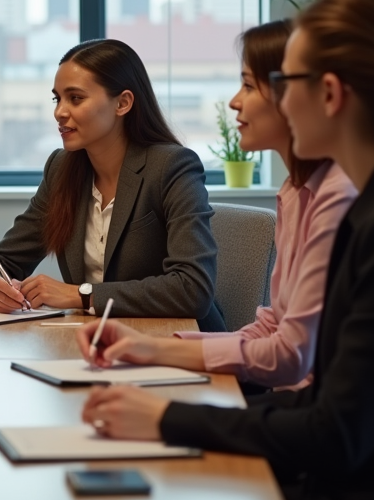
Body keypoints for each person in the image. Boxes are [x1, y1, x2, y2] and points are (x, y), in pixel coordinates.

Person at [81, 0, 374, 500]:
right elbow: (325, 399)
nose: (269, 98)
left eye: (283, 81)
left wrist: (167, 420)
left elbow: (336, 431)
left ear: (330, 94)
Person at [76, 21, 356, 390]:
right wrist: (149, 347)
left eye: (249, 85)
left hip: (313, 414)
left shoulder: (338, 197)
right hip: (287, 400)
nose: (235, 101)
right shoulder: (296, 191)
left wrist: (156, 353)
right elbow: (272, 325)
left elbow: (290, 356)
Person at [0, 39, 225, 331]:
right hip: (90, 342)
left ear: (123, 103)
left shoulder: (172, 166)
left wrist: (80, 295)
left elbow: (192, 288)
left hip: (173, 342)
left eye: (75, 98)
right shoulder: (61, 169)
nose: (60, 112)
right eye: (57, 99)